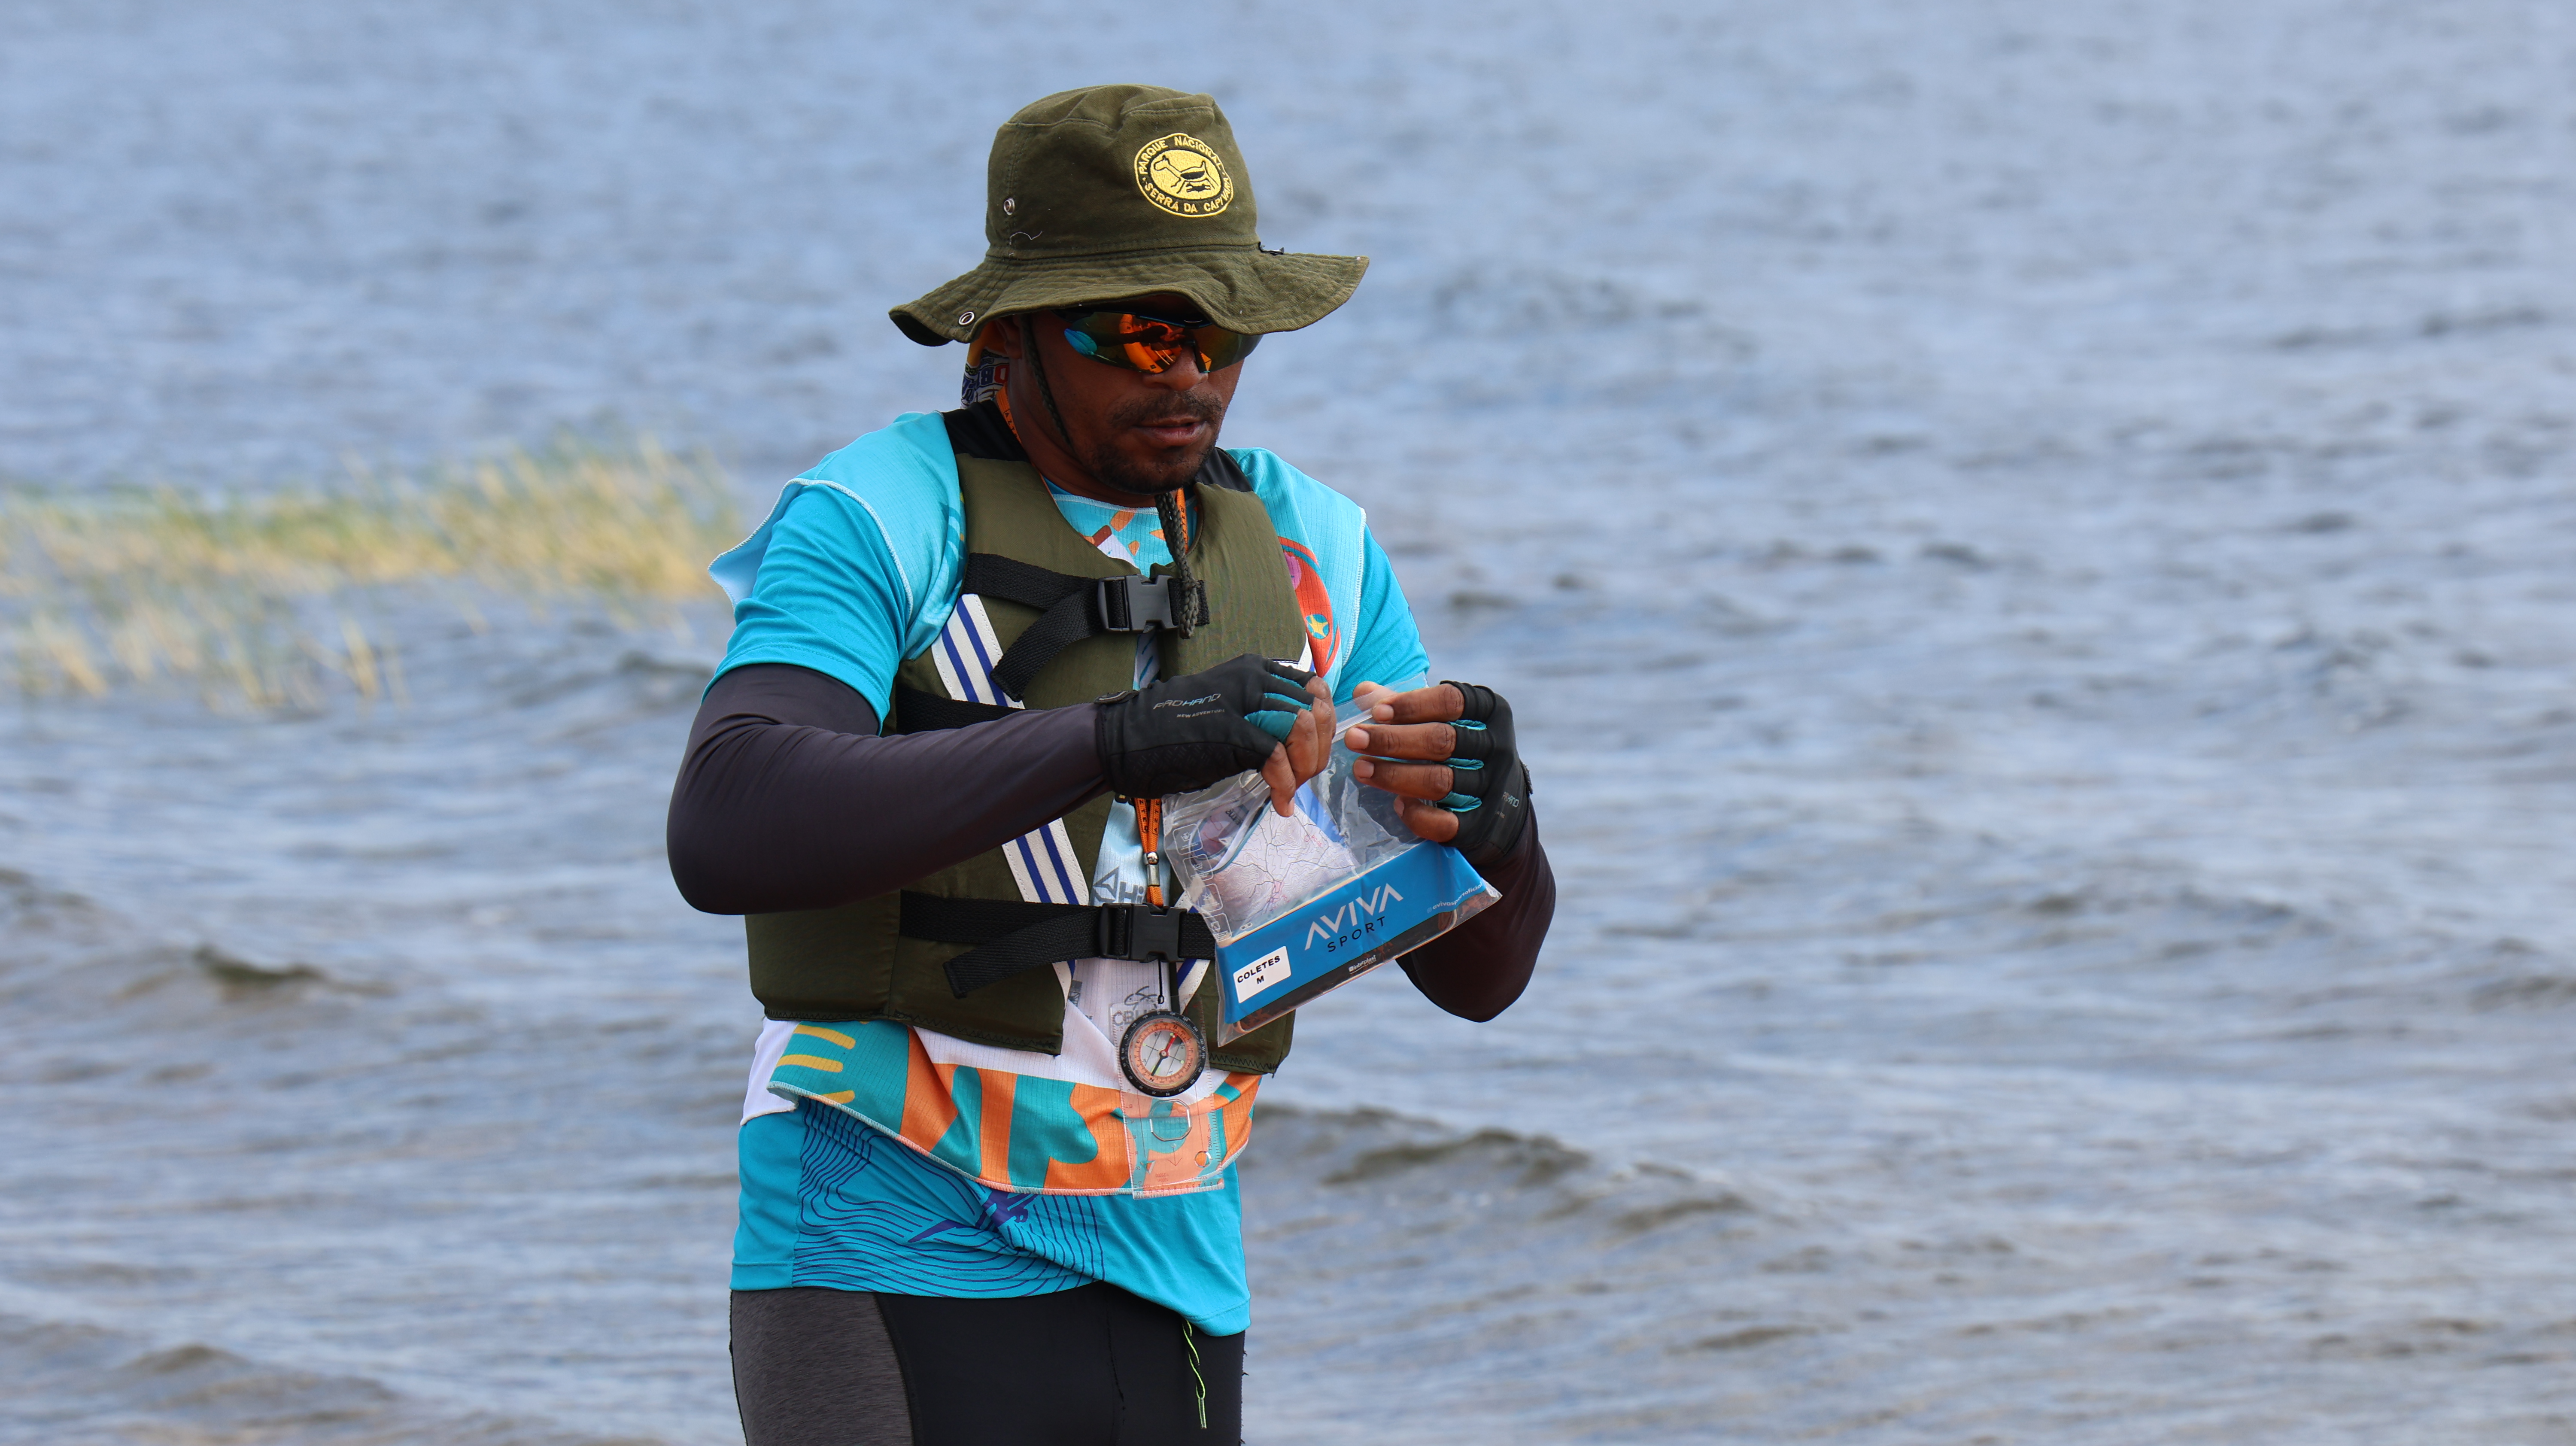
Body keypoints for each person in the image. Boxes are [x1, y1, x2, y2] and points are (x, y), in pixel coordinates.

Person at [667, 83, 1555, 1445]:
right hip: (882, 1223)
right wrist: (1111, 742)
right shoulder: (882, 510)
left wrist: (1501, 832)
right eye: (1138, 329)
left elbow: (1476, 982)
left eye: (1223, 330)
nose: (1186, 371)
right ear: (1010, 334)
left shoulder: (1319, 547)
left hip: (1177, 1263)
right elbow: (726, 821)